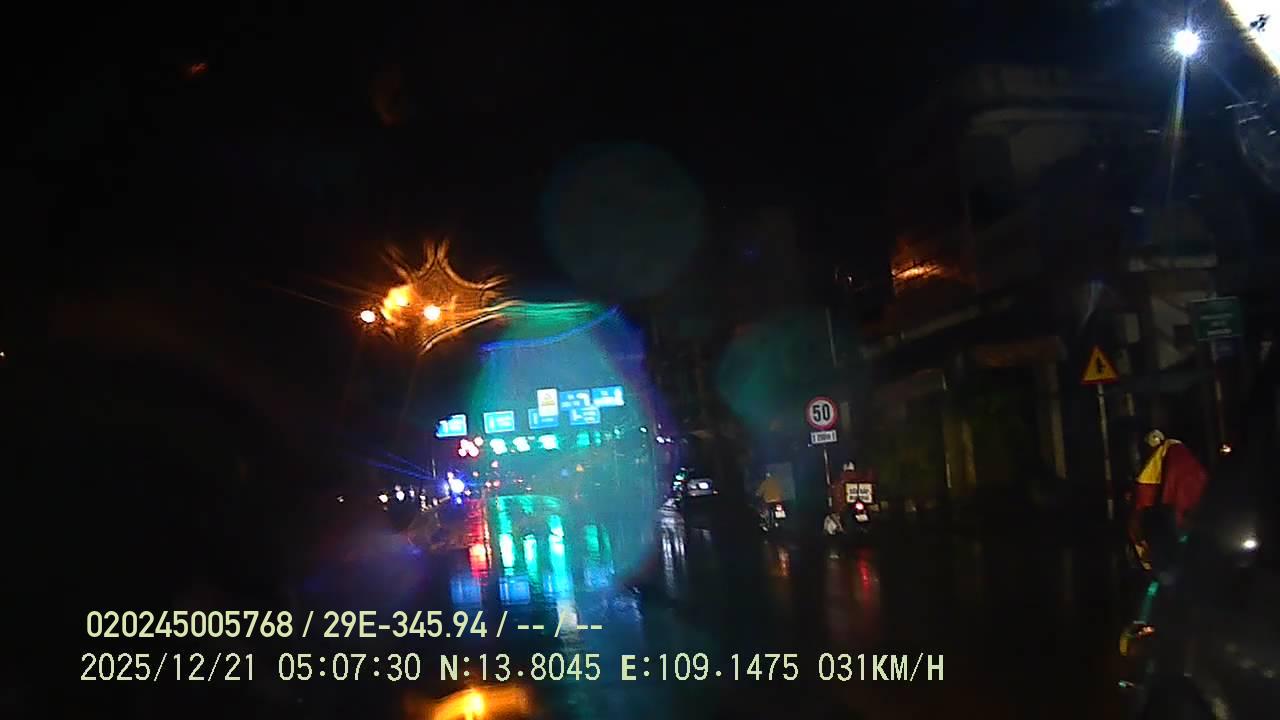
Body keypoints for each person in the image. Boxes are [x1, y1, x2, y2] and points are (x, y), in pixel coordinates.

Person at [1128, 429, 1209, 571]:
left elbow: (1145, 488)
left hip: (1178, 510)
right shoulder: (1182, 453)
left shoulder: (1163, 454)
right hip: (1198, 505)